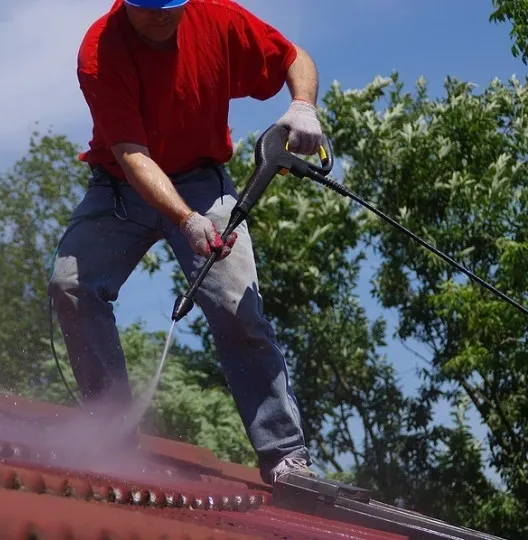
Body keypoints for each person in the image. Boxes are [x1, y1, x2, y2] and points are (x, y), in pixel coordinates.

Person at [48, 0, 323, 485]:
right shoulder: (100, 50)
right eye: (146, 6)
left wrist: (303, 106)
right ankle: (111, 437)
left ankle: (285, 456)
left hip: (203, 179)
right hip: (121, 185)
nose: (158, 15)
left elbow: (293, 57)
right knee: (71, 285)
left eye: (168, 5)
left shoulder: (218, 18)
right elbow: (132, 154)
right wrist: (184, 219)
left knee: (239, 306)